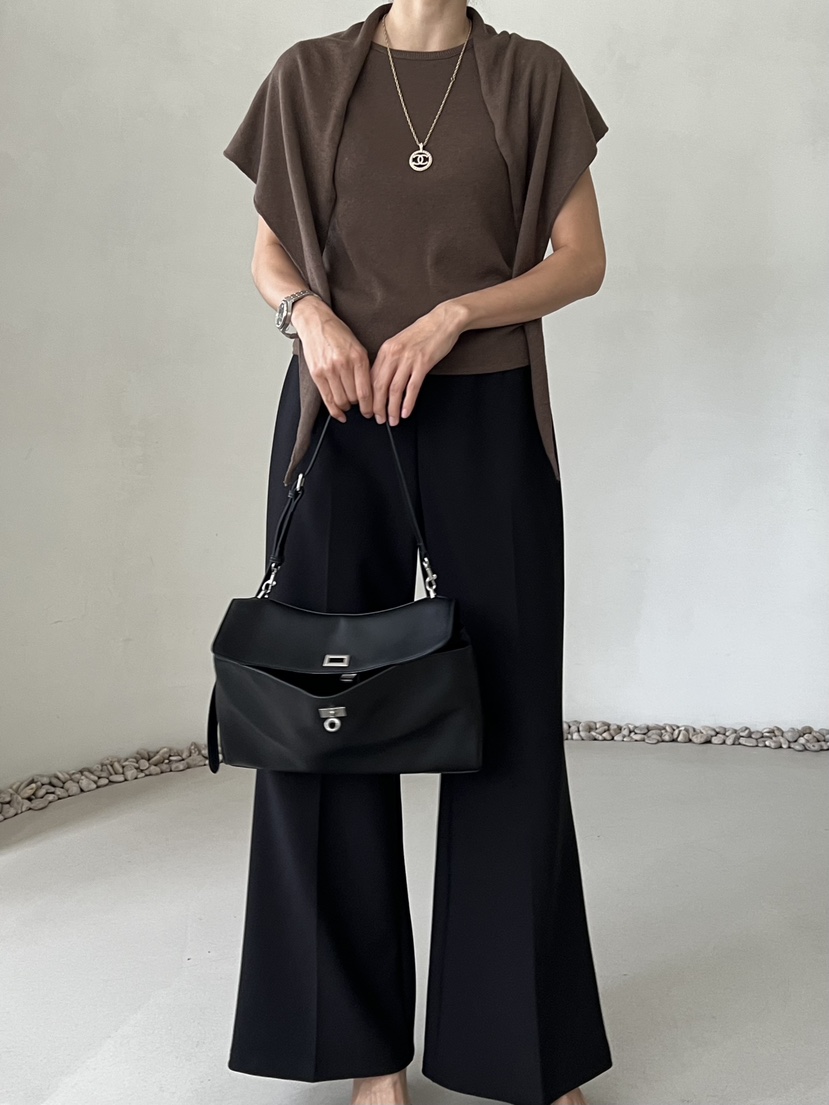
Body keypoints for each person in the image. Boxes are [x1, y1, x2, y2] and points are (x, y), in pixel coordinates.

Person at [221, 3, 612, 1104]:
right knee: (321, 718)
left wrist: (453, 316)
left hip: (486, 415)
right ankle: (364, 1056)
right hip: (336, 415)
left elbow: (582, 262)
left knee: (511, 717)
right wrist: (308, 316)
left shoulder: (530, 77)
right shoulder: (308, 76)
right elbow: (269, 252)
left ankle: (522, 1048)